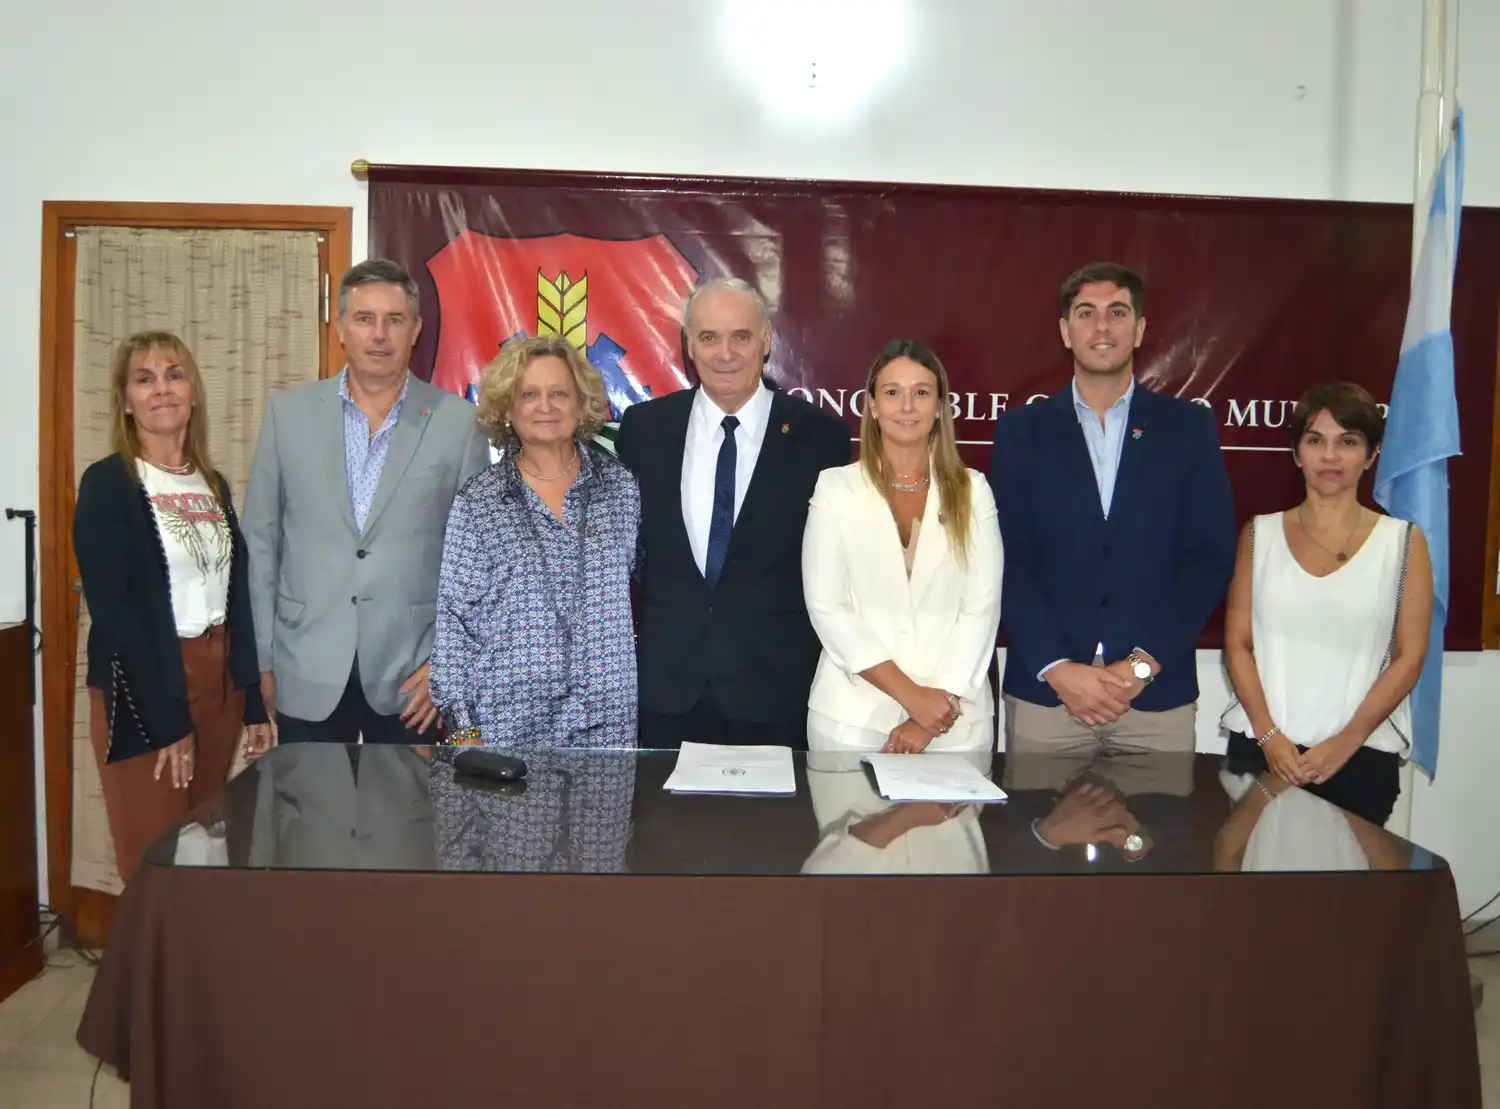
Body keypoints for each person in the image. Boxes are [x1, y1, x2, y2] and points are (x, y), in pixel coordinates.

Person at [988, 262, 1235, 782]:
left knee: (1153, 855)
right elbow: (1008, 561)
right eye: (1086, 314)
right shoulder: (1021, 433)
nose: (1102, 327)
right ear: (1065, 330)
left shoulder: (1187, 429)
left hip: (1154, 699)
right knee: (1040, 856)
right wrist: (1058, 669)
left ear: (1140, 329)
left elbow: (1207, 560)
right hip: (1048, 698)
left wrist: (1140, 667)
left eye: (1117, 313)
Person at [243, 260, 491, 744]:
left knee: (406, 818)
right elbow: (262, 543)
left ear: (416, 330)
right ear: (340, 329)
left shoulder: (459, 424)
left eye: (394, 320)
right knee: (312, 816)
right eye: (364, 319)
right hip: (305, 666)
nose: (379, 334)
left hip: (412, 679)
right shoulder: (287, 416)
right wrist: (263, 662)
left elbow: (476, 562)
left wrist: (448, 663)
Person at [615, 277, 849, 749]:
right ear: (689, 346)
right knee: (664, 825)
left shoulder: (820, 438)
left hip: (776, 692)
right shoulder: (645, 430)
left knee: (771, 826)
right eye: (709, 338)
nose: (725, 353)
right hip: (666, 692)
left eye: (740, 336)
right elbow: (628, 554)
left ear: (766, 341)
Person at [73, 331, 272, 882]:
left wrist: (251, 697)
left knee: (206, 844)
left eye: (174, 374)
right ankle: (147, 970)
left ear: (194, 392)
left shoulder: (214, 483)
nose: (162, 389)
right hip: (148, 680)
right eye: (145, 378)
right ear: (125, 399)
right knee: (155, 856)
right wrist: (167, 720)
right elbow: (113, 611)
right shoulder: (110, 483)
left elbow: (236, 596)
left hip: (219, 678)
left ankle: (195, 969)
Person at [1221, 383, 1431, 826]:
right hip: (1261, 752)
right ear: (1297, 453)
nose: (1330, 456)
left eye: (1348, 442)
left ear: (1371, 455)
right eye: (1315, 440)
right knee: (1254, 892)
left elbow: (1410, 657)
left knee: (1345, 896)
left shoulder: (1403, 542)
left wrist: (1347, 741)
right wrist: (1270, 736)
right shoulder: (1259, 535)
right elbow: (1238, 644)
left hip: (1359, 759)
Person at [428, 335, 640, 747]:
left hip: (607, 729)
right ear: (508, 409)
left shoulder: (621, 488)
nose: (546, 407)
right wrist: (464, 730)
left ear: (581, 407)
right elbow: (454, 623)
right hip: (507, 732)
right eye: (529, 395)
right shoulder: (479, 502)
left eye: (560, 393)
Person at [802, 340, 1002, 754]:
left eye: (922, 392)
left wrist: (932, 713)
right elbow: (827, 606)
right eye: (892, 392)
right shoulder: (835, 488)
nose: (906, 406)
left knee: (946, 822)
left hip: (954, 725)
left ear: (941, 406)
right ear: (872, 405)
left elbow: (981, 610)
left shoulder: (974, 491)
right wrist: (912, 698)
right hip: (851, 721)